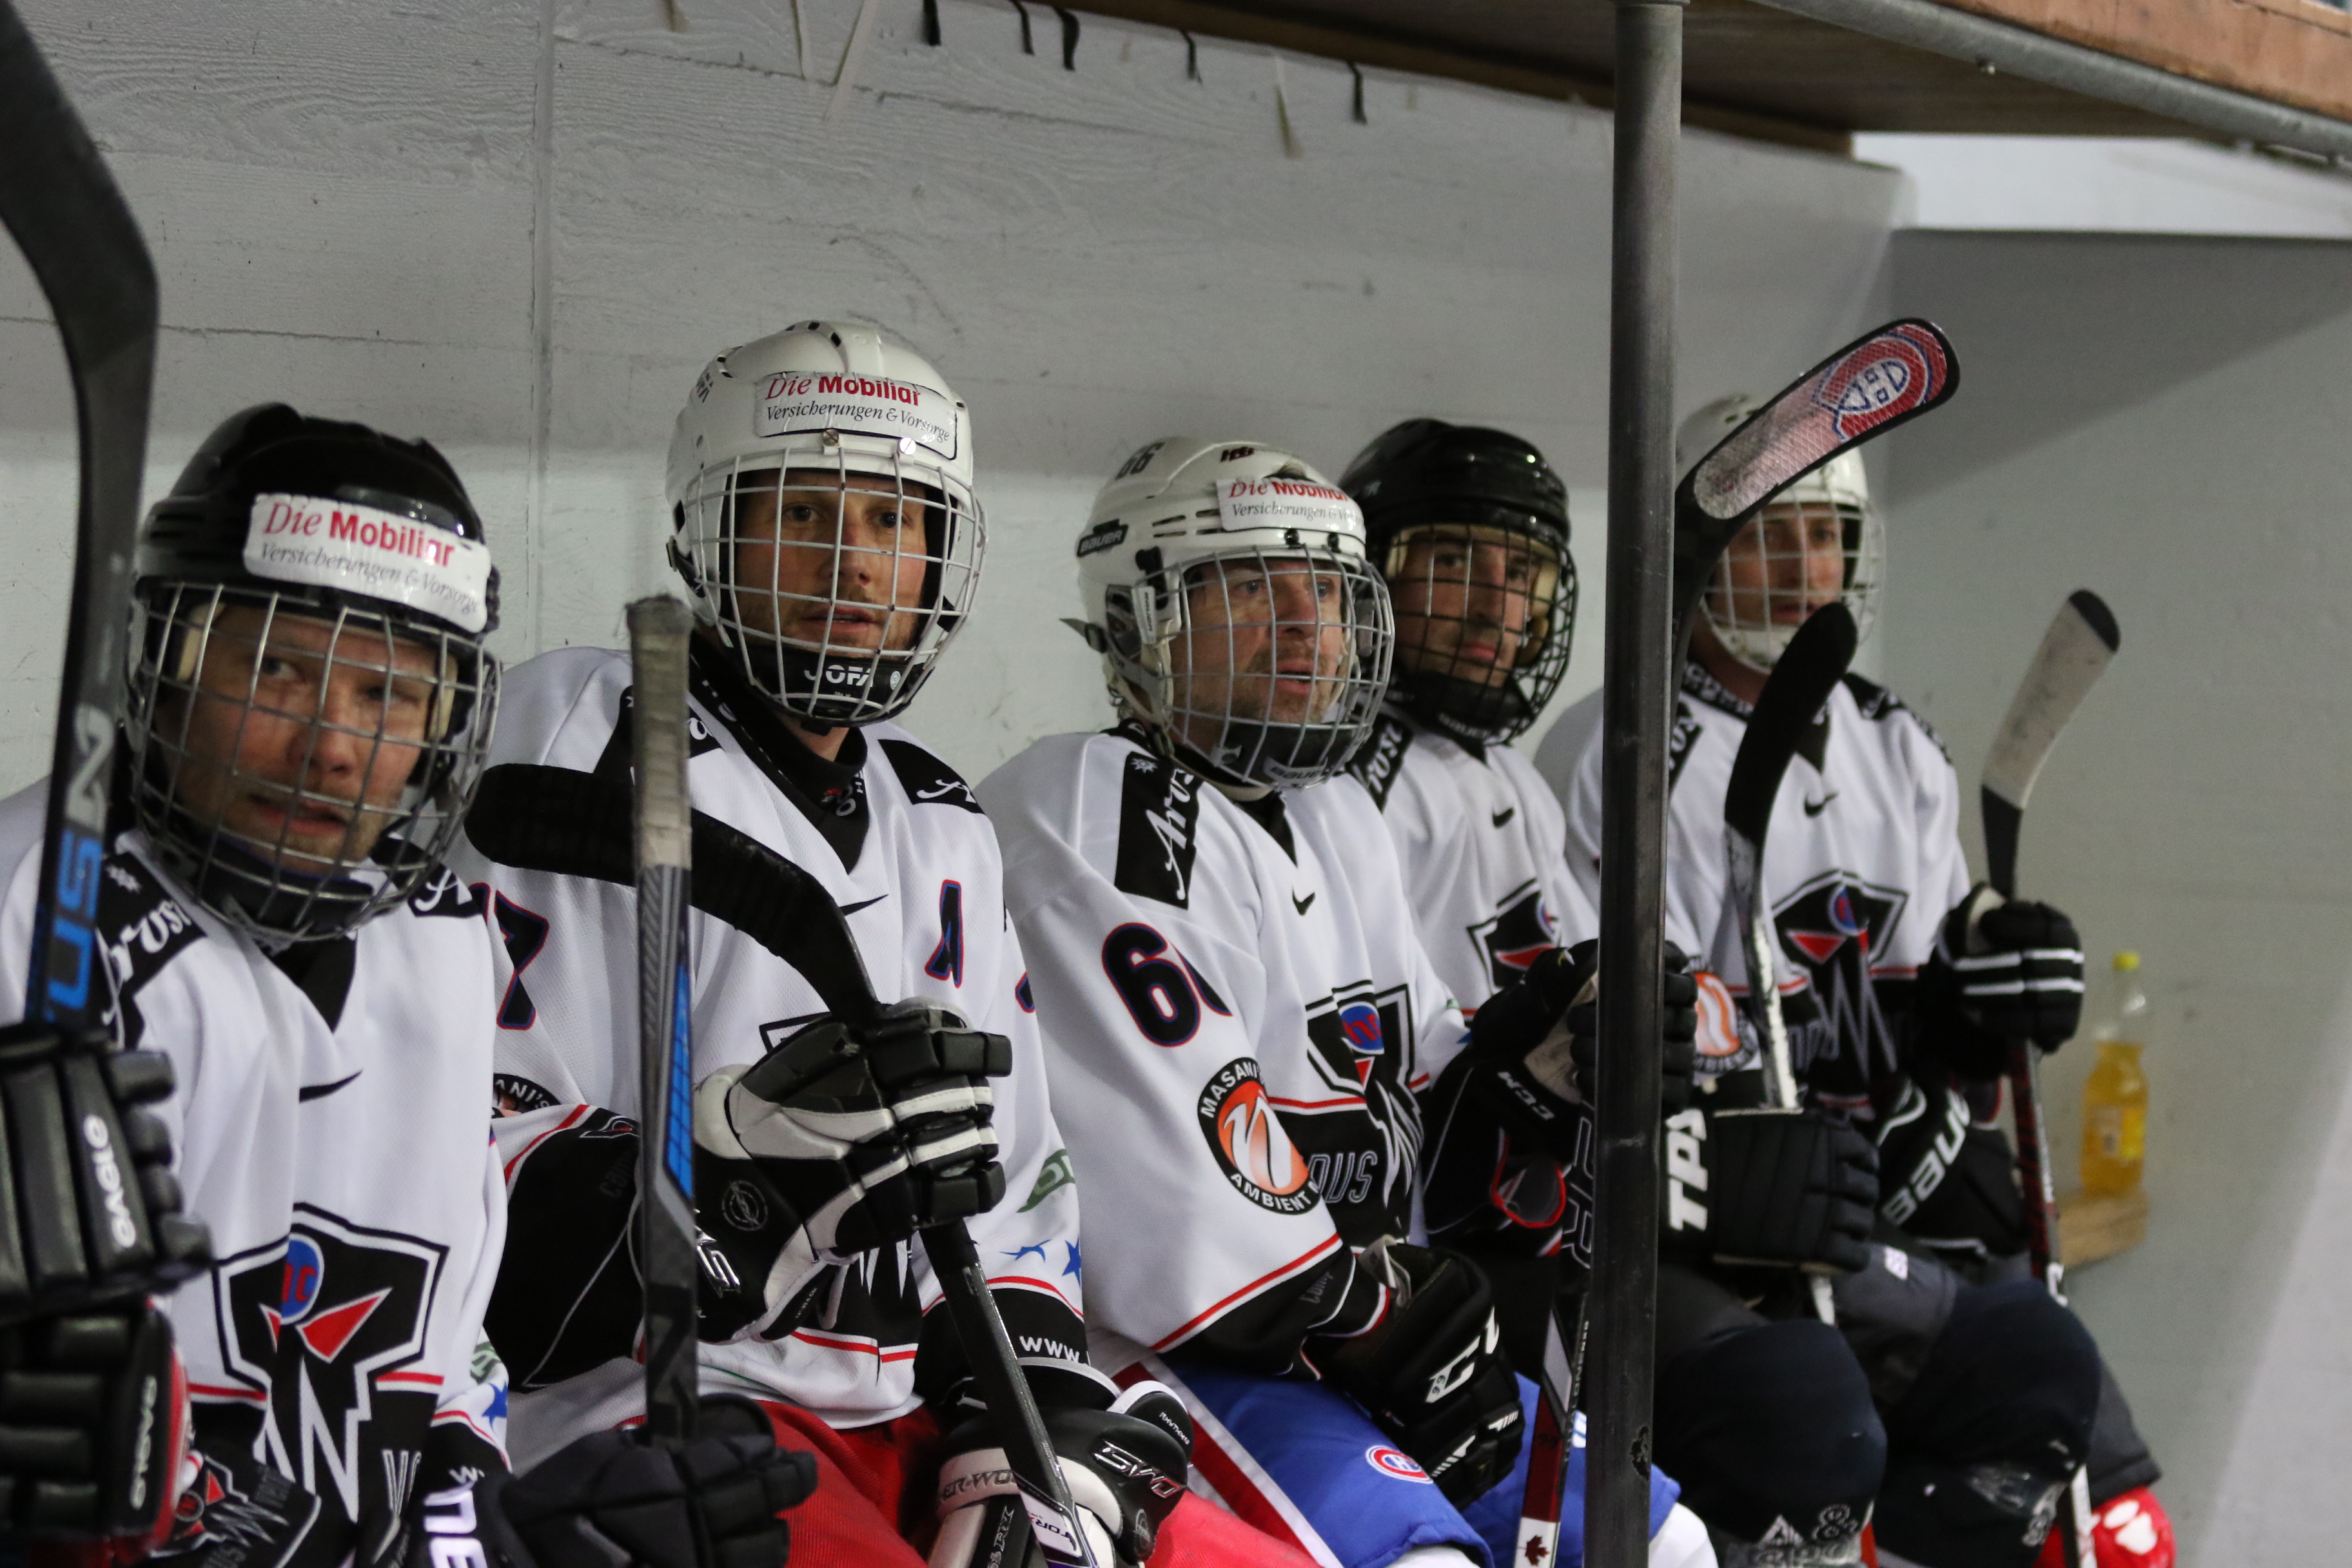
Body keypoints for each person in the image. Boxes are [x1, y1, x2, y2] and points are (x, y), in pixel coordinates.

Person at [451, 324, 1292, 1568]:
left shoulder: (940, 818)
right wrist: (743, 1192)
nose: (853, 563)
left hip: (901, 1409)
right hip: (664, 1415)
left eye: (895, 522)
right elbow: (486, 1180)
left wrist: (1025, 1428)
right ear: (706, 529)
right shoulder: (582, 744)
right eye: (802, 514)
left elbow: (1010, 1196)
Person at [0, 404, 809, 1568]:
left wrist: (491, 1536)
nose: (333, 746)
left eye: (387, 695)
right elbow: (86, 1476)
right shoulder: (34, 927)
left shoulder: (438, 941)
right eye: (279, 669)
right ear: (165, 670)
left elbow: (443, 1374)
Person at [981, 437, 1714, 1568]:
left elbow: (1421, 1121)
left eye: (1326, 593)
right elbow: (1191, 1235)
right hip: (1168, 1355)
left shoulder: (1336, 815)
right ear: (1135, 621)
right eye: (1248, 589)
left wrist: (1544, 1065)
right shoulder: (1085, 813)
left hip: (1366, 1333)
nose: (1304, 628)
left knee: (1669, 1546)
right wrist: (1393, 1331)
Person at [1535, 397, 2168, 1568]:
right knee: (1845, 1420)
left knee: (2094, 1473)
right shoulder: (1617, 752)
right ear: (1697, 551)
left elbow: (1925, 1003)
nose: (1803, 566)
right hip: (1713, 1226)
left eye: (1824, 534)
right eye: (1768, 534)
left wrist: (1993, 1007)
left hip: (1870, 1195)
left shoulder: (1896, 743)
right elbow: (1622, 1050)